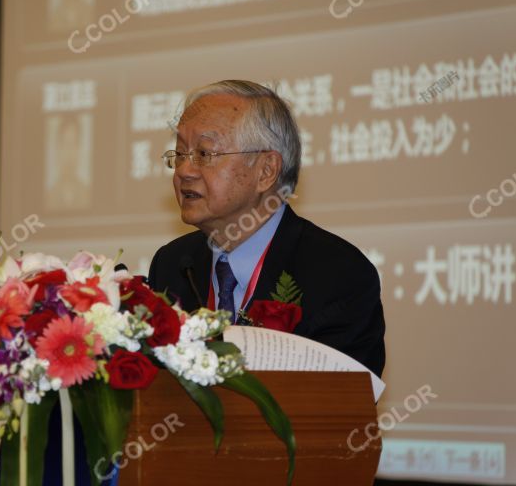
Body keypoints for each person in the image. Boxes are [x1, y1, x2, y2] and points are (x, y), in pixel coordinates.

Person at [147, 80, 385, 377]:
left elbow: (341, 406)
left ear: (266, 170)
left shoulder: (338, 274)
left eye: (204, 154)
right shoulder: (172, 264)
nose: (184, 170)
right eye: (180, 154)